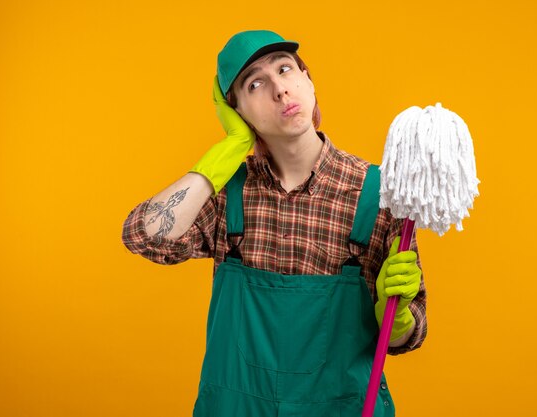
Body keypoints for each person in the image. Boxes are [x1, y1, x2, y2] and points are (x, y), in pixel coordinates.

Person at [122, 30, 427, 417]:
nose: (280, 90)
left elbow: (405, 337)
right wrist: (226, 152)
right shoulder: (226, 195)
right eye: (256, 84)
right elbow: (143, 237)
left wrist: (394, 314)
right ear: (237, 112)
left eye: (285, 69)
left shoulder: (380, 195)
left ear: (308, 79)